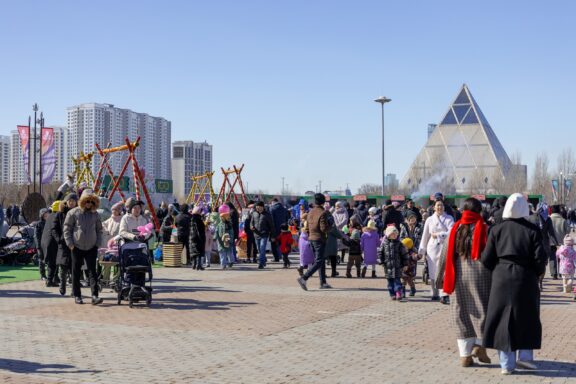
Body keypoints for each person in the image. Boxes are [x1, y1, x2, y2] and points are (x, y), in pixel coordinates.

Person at [481, 193, 547, 375]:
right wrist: (537, 273)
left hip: (501, 276)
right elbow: (540, 259)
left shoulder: (496, 229)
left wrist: (499, 267)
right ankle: (525, 358)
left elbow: (486, 259)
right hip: (525, 277)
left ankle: (506, 364)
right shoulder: (533, 230)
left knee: (502, 318)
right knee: (526, 316)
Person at [442, 197, 492, 367]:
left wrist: (439, 278)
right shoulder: (485, 228)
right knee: (481, 309)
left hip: (457, 275)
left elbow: (444, 253)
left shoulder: (455, 229)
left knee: (460, 311)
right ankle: (479, 345)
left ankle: (464, 355)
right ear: (479, 212)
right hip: (481, 274)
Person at [63, 189, 104, 305]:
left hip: (91, 247)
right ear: (82, 201)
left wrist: (97, 243)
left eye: (91, 202)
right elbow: (67, 229)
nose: (89, 204)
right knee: (76, 271)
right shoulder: (73, 213)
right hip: (76, 247)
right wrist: (70, 244)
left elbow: (99, 230)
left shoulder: (95, 214)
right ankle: (77, 295)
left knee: (92, 271)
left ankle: (95, 295)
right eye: (87, 201)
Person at [419, 200, 454, 303]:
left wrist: (439, 234)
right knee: (433, 271)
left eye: (441, 205)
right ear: (434, 207)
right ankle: (434, 292)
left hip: (445, 246)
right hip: (432, 248)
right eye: (437, 205)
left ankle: (444, 294)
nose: (439, 207)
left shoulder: (449, 218)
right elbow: (425, 236)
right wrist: (422, 251)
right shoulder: (429, 220)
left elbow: (452, 231)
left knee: (444, 270)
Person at [297, 193, 333, 290]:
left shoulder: (310, 212)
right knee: (319, 261)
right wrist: (330, 226)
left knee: (320, 260)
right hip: (319, 239)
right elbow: (323, 228)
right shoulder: (323, 213)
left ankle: (323, 282)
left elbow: (307, 227)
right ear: (323, 202)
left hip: (311, 238)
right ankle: (304, 278)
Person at [53, 194, 78, 296]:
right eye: (69, 200)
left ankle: (74, 290)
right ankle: (62, 286)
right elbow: (54, 229)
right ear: (66, 202)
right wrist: (59, 239)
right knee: (63, 267)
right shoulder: (60, 214)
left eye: (73, 200)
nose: (71, 202)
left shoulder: (79, 212)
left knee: (74, 268)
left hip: (76, 244)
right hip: (63, 244)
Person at [529, 202, 559, 281]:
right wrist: (556, 243)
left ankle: (536, 279)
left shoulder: (531, 218)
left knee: (533, 262)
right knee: (542, 263)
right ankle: (540, 281)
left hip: (532, 244)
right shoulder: (548, 219)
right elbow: (551, 233)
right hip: (544, 245)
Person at [380, 226, 409, 301]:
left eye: (396, 234)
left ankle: (398, 293)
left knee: (397, 281)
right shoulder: (384, 244)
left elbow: (404, 254)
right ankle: (392, 294)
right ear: (388, 235)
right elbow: (380, 253)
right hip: (388, 267)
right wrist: (382, 262)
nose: (395, 235)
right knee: (390, 283)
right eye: (393, 234)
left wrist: (405, 264)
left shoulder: (399, 244)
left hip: (397, 266)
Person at [250, 201, 275, 269]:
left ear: (263, 207)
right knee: (259, 249)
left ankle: (261, 263)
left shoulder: (267, 215)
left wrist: (272, 236)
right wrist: (251, 226)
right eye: (257, 207)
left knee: (262, 248)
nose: (258, 209)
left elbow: (272, 226)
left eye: (260, 207)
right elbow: (251, 222)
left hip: (264, 234)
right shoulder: (254, 213)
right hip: (256, 234)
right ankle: (263, 261)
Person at [41, 203, 60, 287]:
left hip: (46, 241)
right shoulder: (57, 216)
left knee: (51, 262)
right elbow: (54, 230)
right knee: (53, 262)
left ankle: (51, 280)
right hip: (51, 242)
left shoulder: (51, 216)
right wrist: (59, 240)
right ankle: (49, 280)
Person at [269, 198, 289, 262]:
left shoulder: (272, 209)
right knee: (283, 244)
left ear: (273, 202)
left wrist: (271, 230)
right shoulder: (284, 209)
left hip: (274, 230)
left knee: (273, 244)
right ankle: (285, 258)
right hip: (283, 230)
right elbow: (287, 219)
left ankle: (276, 258)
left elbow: (271, 221)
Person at [215, 204, 235, 269]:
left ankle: (231, 261)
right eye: (223, 217)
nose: (224, 218)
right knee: (222, 253)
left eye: (226, 216)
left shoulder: (229, 224)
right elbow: (216, 232)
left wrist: (231, 239)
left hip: (228, 240)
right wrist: (215, 237)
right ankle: (223, 264)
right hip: (221, 240)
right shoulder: (219, 225)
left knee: (229, 251)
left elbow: (232, 232)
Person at [189, 206, 206, 270]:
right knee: (199, 252)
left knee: (194, 252)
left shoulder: (191, 219)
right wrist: (202, 238)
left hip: (191, 238)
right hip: (198, 238)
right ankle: (198, 265)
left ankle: (194, 265)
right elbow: (199, 230)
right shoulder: (199, 220)